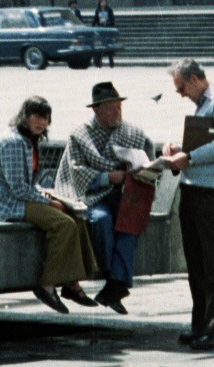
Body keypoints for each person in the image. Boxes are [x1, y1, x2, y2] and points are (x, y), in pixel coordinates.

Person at [0, 95, 99, 314]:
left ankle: (72, 284)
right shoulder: (13, 142)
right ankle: (47, 285)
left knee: (75, 217)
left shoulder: (28, 141)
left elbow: (29, 184)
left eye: (46, 118)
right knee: (63, 224)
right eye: (37, 117)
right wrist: (49, 202)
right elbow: (18, 188)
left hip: (17, 198)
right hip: (5, 204)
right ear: (25, 116)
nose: (42, 123)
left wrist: (54, 198)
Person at [162, 57, 214, 352]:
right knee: (196, 263)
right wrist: (178, 150)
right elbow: (202, 144)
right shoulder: (202, 106)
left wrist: (189, 158)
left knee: (213, 261)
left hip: (213, 192)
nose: (181, 94)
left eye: (182, 88)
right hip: (192, 188)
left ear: (195, 80)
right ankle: (201, 325)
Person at [54, 80, 155, 314]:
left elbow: (148, 157)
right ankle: (113, 277)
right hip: (90, 194)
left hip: (123, 193)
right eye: (110, 108)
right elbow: (76, 171)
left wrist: (144, 169)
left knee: (131, 220)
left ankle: (115, 285)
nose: (116, 112)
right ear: (96, 110)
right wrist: (109, 177)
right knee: (101, 220)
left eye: (119, 107)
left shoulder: (132, 132)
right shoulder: (80, 135)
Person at [92, 0, 115, 68]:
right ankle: (99, 61)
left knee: (109, 46)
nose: (103, 3)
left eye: (104, 2)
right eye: (101, 2)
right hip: (100, 30)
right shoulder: (97, 10)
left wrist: (109, 23)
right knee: (100, 46)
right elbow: (95, 19)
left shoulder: (109, 10)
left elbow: (112, 19)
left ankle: (111, 60)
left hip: (107, 29)